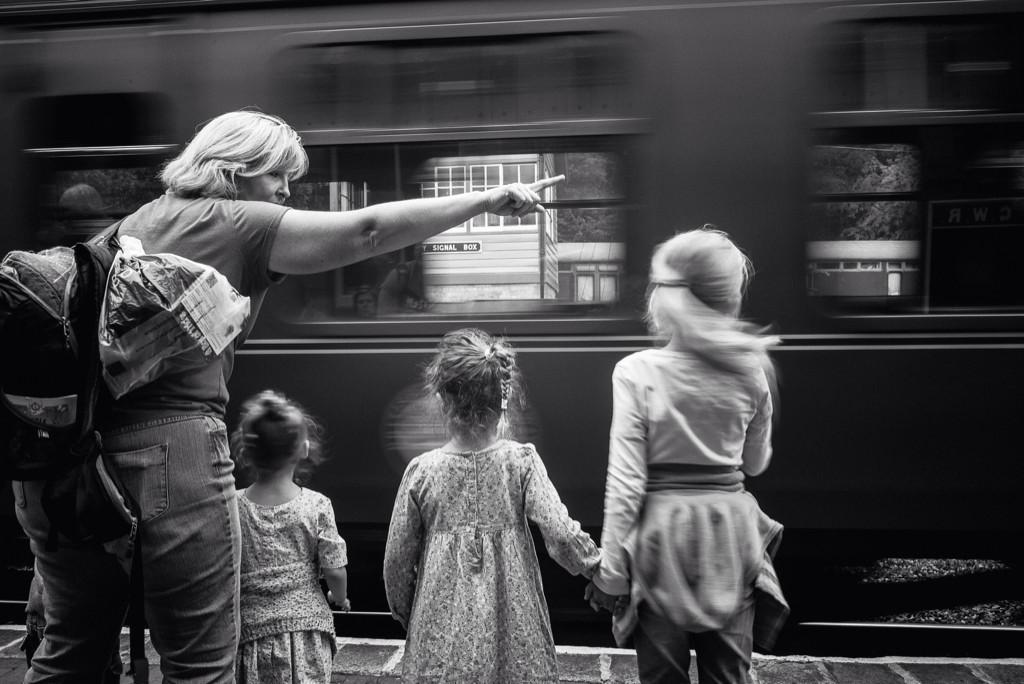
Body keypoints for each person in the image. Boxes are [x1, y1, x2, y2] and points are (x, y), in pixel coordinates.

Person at [12, 109, 563, 682]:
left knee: (70, 651)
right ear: (241, 167)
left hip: (75, 465)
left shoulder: (127, 226)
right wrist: (485, 201)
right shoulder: (237, 221)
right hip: (173, 457)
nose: (285, 191)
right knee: (197, 663)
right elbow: (366, 232)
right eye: (279, 175)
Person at [584, 226, 787, 684]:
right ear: (729, 298)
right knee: (729, 675)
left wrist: (612, 575)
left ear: (665, 297)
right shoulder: (753, 371)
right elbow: (754, 464)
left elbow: (625, 485)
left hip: (660, 543)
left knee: (663, 677)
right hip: (731, 540)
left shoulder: (636, 372)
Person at [383, 328, 600, 683]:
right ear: (504, 397)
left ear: (442, 399)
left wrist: (414, 616)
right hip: (516, 646)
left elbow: (396, 564)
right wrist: (596, 569)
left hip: (440, 647)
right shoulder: (521, 462)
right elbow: (560, 535)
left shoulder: (421, 473)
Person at [230, 389, 348, 684]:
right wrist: (339, 597)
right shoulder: (317, 505)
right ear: (303, 449)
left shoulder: (233, 506)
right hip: (307, 634)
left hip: (251, 635)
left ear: (246, 452)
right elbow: (334, 568)